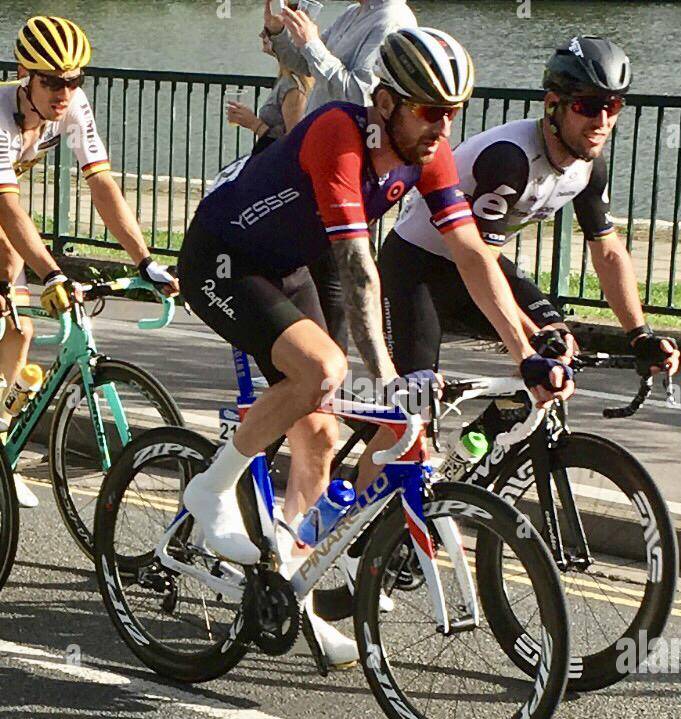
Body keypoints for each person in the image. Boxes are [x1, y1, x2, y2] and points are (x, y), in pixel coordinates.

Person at [177, 28, 573, 667]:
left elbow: (473, 253)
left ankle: (292, 588)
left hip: (292, 264)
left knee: (324, 436)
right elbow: (361, 271)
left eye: (453, 112)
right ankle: (212, 489)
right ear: (385, 102)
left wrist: (524, 350)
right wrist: (388, 377)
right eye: (429, 110)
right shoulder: (339, 132)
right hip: (223, 257)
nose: (443, 126)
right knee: (322, 369)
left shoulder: (430, 152)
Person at [378, 35, 681, 414]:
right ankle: (374, 466)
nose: (602, 121)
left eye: (612, 105)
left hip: (475, 264)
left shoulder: (588, 167)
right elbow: (480, 260)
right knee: (413, 407)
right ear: (553, 105)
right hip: (416, 268)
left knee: (559, 351)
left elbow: (607, 252)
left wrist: (640, 335)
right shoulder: (510, 159)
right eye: (587, 106)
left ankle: (490, 453)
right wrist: (529, 337)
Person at [0, 16, 178, 507]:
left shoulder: (73, 106)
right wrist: (53, 272)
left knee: (22, 328)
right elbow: (7, 206)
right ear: (24, 74)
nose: (65, 91)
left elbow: (101, 183)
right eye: (53, 81)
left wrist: (144, 261)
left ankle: (1, 449)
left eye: (74, 80)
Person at [263, 0, 418, 356]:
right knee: (309, 265)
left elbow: (363, 95)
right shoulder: (354, 12)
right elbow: (304, 65)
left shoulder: (391, 20)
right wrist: (279, 31)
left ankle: (330, 375)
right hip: (319, 154)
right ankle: (312, 369)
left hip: (353, 159)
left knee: (333, 272)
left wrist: (313, 44)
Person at [227, 17, 312, 156]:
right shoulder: (285, 79)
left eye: (268, 31)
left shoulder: (294, 88)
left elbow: (293, 147)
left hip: (278, 171)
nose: (261, 34)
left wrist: (254, 124)